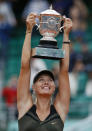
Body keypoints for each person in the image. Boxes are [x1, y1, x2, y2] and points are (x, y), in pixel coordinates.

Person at [17, 13, 72, 131]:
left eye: (50, 80)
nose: (46, 82)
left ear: (54, 87)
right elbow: (25, 67)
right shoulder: (24, 107)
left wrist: (66, 34)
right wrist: (28, 31)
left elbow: (64, 71)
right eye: (41, 80)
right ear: (34, 87)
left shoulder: (60, 109)